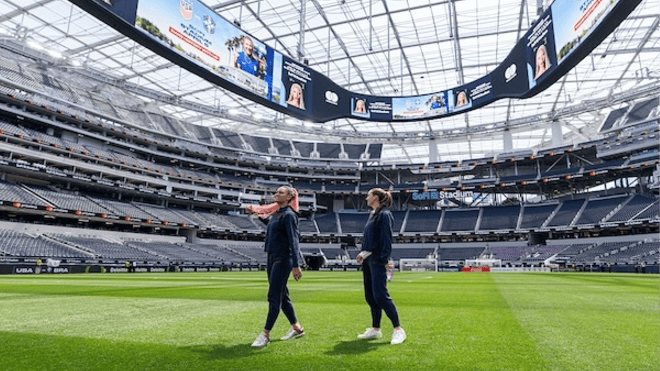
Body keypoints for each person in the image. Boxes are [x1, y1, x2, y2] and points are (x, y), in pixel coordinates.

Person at [247, 186, 305, 348]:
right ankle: (297, 328)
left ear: (289, 197)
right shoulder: (277, 214)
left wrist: (296, 264)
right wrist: (256, 214)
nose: (276, 194)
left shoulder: (289, 215)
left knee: (273, 296)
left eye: (280, 192)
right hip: (272, 257)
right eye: (276, 192)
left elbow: (294, 241)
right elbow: (271, 225)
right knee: (282, 295)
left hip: (282, 258)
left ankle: (265, 334)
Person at [356, 188, 406, 345]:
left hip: (377, 259)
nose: (366, 198)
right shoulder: (373, 214)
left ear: (375, 197)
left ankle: (398, 329)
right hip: (368, 259)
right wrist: (363, 253)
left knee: (380, 295)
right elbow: (372, 239)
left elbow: (385, 239)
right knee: (370, 296)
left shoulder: (384, 214)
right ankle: (375, 329)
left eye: (368, 195)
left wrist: (385, 260)